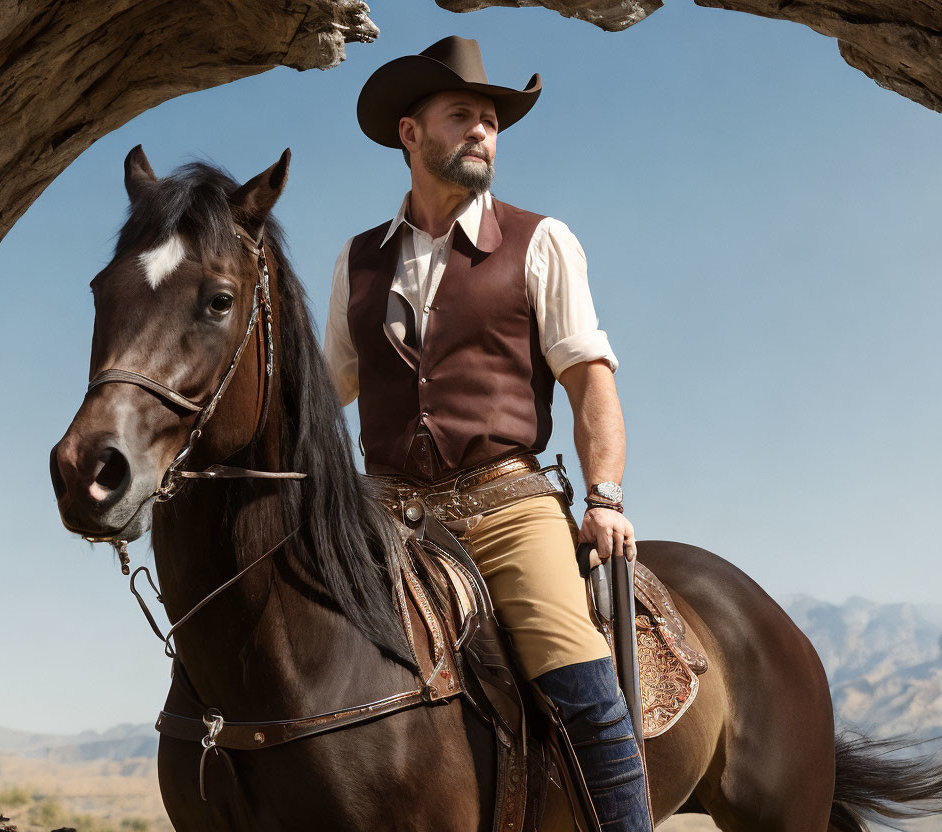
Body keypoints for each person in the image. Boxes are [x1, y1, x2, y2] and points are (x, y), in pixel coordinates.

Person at [324, 35, 652, 831]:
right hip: (385, 514)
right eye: (463, 115)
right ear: (411, 134)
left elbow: (588, 378)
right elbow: (328, 391)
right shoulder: (357, 261)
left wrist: (605, 497)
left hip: (506, 505)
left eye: (491, 121)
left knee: (581, 683)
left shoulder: (540, 240)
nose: (482, 131)